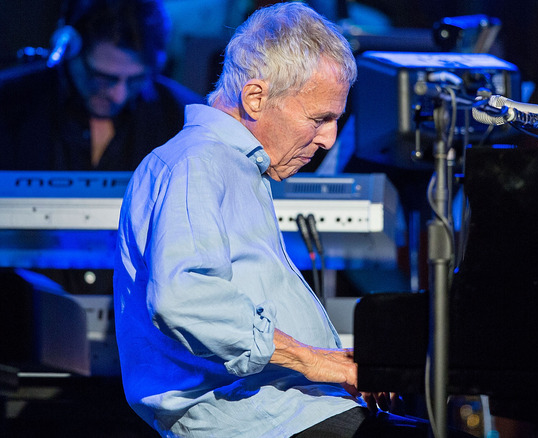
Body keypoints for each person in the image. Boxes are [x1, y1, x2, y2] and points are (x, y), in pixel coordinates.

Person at [113, 3, 474, 437]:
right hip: (258, 421)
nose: (328, 138)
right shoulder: (197, 162)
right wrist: (316, 361)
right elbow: (184, 299)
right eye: (319, 118)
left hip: (285, 412)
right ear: (255, 97)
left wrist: (337, 361)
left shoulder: (234, 167)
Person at [0, 0, 203, 171]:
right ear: (70, 49)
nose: (119, 95)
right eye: (103, 78)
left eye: (135, 80)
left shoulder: (185, 119)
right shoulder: (12, 106)